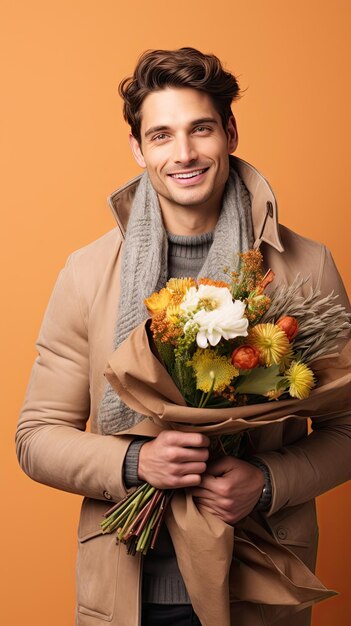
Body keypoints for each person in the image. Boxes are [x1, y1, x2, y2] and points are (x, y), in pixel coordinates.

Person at [16, 47, 351, 626]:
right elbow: (36, 435)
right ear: (138, 148)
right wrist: (135, 462)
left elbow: (347, 427)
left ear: (230, 132)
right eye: (162, 135)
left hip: (257, 583)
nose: (185, 153)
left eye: (201, 129)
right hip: (128, 589)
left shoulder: (304, 266)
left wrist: (268, 482)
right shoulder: (87, 273)